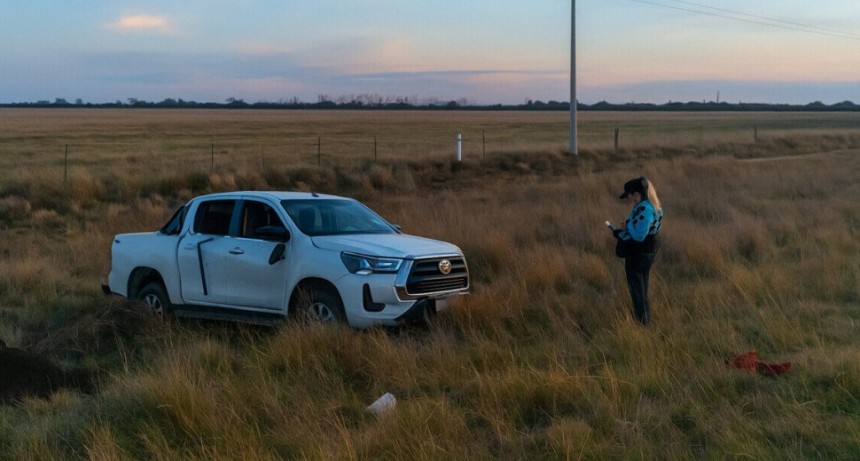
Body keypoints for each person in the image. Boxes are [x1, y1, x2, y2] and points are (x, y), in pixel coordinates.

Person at [609, 177, 663, 325]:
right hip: (648, 252)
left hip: (638, 253)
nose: (628, 199)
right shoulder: (654, 206)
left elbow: (639, 235)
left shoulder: (645, 209)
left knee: (637, 290)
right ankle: (645, 320)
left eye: (629, 196)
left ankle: (642, 324)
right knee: (642, 288)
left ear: (636, 194)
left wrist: (626, 228)